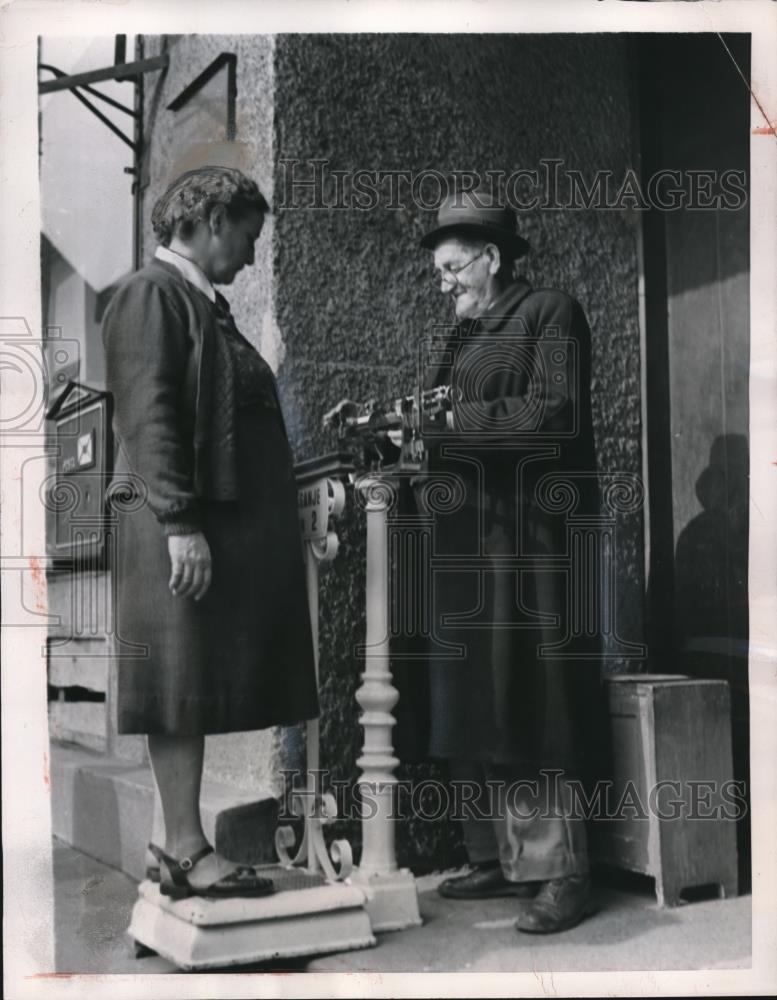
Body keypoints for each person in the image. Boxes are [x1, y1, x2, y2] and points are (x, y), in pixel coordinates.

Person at [103, 166, 319, 900]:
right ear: (213, 220)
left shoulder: (199, 304)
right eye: (249, 237)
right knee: (177, 683)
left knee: (186, 683)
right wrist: (180, 524)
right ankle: (188, 851)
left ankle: (175, 850)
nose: (254, 256)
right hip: (174, 526)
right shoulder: (151, 294)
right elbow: (148, 413)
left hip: (191, 525)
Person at [412, 186, 606, 934]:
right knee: (472, 696)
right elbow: (436, 420)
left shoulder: (548, 312)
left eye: (454, 267)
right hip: (466, 546)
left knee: (533, 694)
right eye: (439, 273)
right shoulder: (461, 336)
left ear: (492, 259)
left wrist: (450, 421)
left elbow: (552, 412)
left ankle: (561, 872)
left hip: (529, 545)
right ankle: (496, 857)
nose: (445, 283)